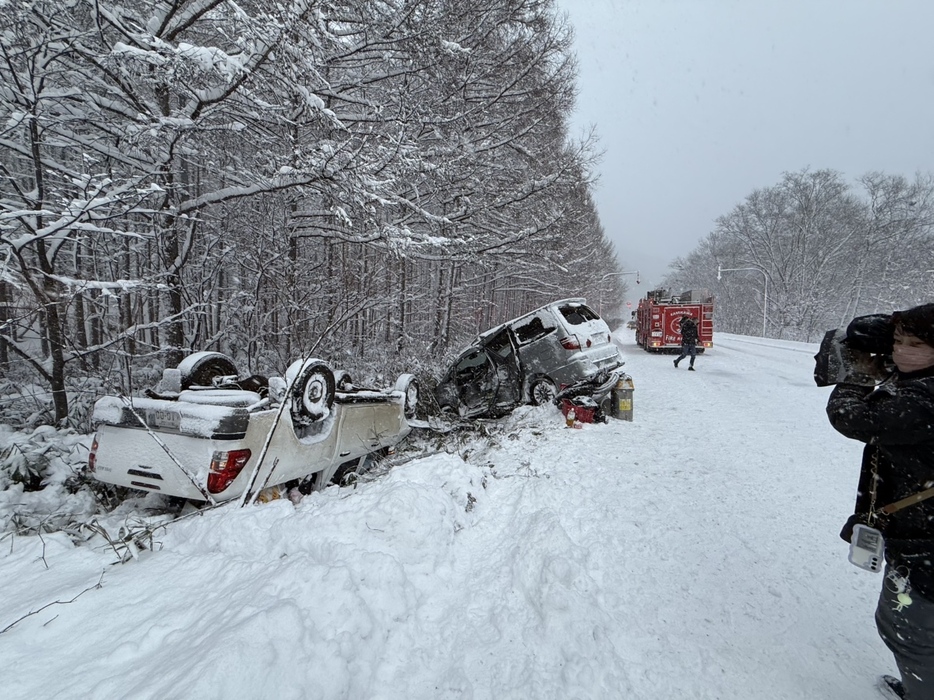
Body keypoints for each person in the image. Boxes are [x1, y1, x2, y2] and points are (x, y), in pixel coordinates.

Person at [825, 303, 934, 700]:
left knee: (908, 631)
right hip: (920, 534)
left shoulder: (923, 399)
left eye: (917, 343)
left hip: (924, 545)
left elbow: (854, 418)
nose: (903, 351)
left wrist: (854, 376)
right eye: (899, 342)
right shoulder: (918, 385)